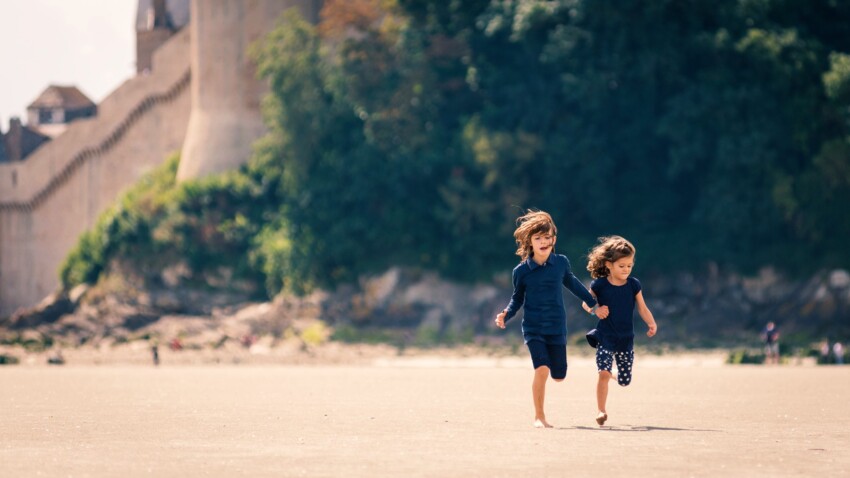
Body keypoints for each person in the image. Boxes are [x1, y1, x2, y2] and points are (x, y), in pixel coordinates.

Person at [495, 210, 609, 428]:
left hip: (556, 327)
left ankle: (545, 401)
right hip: (533, 328)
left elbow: (574, 285)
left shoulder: (561, 263)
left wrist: (594, 306)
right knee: (542, 369)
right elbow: (517, 299)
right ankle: (539, 417)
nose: (543, 242)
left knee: (559, 375)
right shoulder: (521, 271)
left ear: (554, 240)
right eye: (538, 238)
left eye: (547, 237)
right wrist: (506, 314)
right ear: (530, 242)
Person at [582, 235, 657, 427]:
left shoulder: (633, 285)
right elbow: (586, 303)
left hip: (625, 339)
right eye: (621, 265)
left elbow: (642, 308)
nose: (626, 269)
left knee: (624, 380)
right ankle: (601, 410)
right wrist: (596, 309)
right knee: (602, 373)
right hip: (605, 336)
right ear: (609, 265)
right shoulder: (599, 285)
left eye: (629, 265)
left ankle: (612, 373)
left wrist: (651, 323)